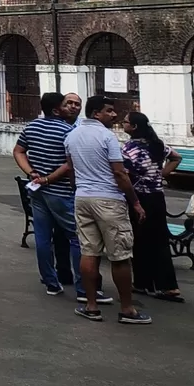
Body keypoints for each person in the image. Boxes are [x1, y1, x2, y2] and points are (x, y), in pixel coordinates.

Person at [62, 96, 151, 324]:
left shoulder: (71, 136)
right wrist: (135, 202)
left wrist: (78, 189)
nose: (114, 115)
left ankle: (91, 306)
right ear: (95, 114)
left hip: (83, 197)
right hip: (109, 199)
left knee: (89, 252)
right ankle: (128, 309)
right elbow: (120, 174)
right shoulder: (107, 137)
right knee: (120, 255)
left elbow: (71, 170)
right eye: (109, 111)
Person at [14, 92, 89, 299]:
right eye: (67, 105)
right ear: (57, 109)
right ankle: (83, 288)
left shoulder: (32, 127)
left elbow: (18, 151)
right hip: (61, 192)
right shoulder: (68, 131)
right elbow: (70, 164)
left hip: (37, 192)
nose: (71, 108)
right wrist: (48, 178)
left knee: (43, 238)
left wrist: (31, 172)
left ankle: (51, 282)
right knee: (76, 237)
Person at [121, 111, 183, 301]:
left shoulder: (128, 148)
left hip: (139, 197)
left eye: (126, 122)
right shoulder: (157, 144)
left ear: (134, 127)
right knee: (159, 239)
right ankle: (167, 285)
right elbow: (176, 157)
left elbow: (124, 174)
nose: (123, 124)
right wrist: (160, 174)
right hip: (157, 196)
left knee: (139, 240)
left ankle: (143, 282)